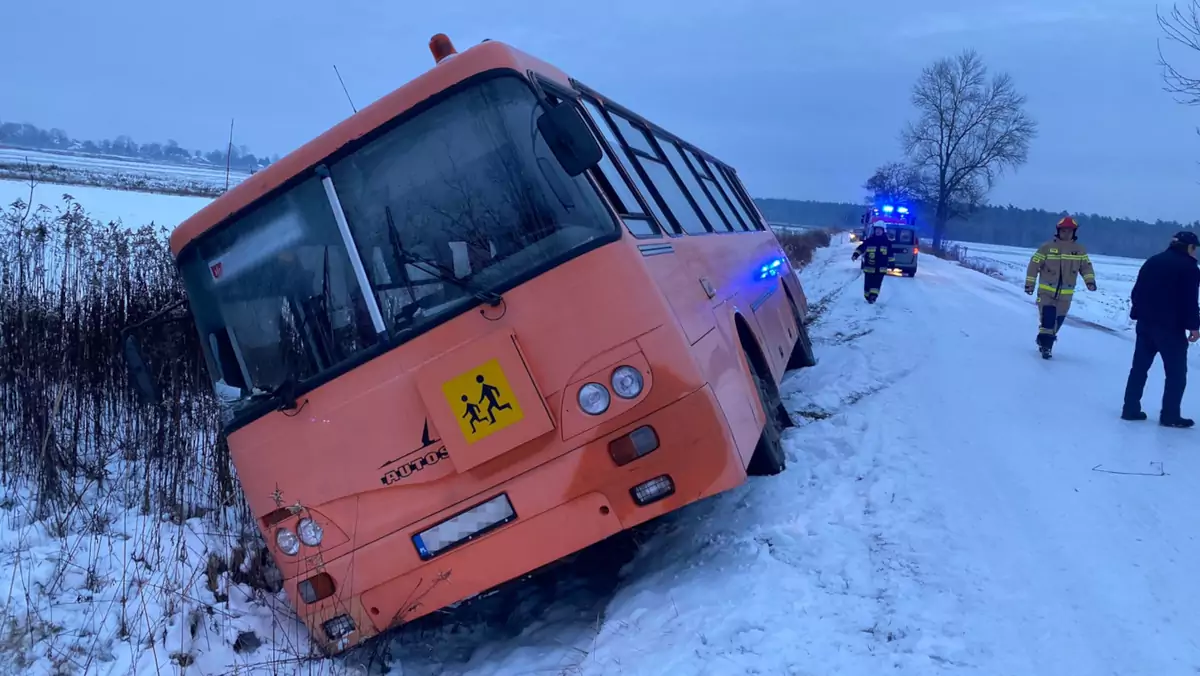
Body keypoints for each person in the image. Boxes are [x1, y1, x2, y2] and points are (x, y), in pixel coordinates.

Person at [1121, 231, 1200, 428]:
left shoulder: (1153, 261)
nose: (1196, 253)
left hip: (1146, 325)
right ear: (1189, 247)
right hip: (1171, 329)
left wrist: (1137, 312)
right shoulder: (1190, 268)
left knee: (1139, 369)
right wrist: (1194, 326)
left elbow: (1137, 291)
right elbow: (1189, 301)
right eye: (1195, 249)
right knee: (1176, 374)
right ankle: (1170, 415)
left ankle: (1130, 409)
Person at [1024, 215, 1097, 358]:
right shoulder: (1047, 248)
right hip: (1046, 293)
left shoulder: (1079, 250)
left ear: (1074, 232)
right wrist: (1029, 284)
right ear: (1058, 231)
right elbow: (1034, 265)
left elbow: (1086, 267)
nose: (1066, 233)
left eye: (1069, 231)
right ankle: (1046, 347)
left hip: (1065, 296)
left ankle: (1043, 340)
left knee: (1057, 323)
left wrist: (1090, 281)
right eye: (1064, 231)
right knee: (1048, 319)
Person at [851, 224, 894, 304]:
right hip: (869, 267)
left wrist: (892, 264)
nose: (878, 231)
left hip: (881, 268)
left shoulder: (887, 243)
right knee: (868, 284)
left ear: (883, 231)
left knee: (876, 283)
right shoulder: (869, 241)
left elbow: (890, 254)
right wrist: (855, 255)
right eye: (876, 230)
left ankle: (873, 297)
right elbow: (861, 248)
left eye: (879, 230)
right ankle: (867, 296)